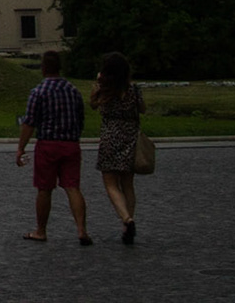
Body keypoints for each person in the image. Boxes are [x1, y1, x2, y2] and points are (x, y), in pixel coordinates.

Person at [17, 49, 92, 246]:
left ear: (43, 69)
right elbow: (80, 119)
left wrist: (21, 148)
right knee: (72, 187)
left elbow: (29, 123)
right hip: (71, 144)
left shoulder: (38, 92)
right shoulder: (73, 90)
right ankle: (81, 229)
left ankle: (41, 231)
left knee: (44, 189)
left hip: (48, 144)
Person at [92, 51, 147, 244]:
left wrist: (98, 82)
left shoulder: (104, 89)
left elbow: (92, 104)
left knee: (110, 183)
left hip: (110, 137)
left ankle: (126, 219)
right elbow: (143, 109)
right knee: (127, 184)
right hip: (130, 136)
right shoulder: (133, 89)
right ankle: (128, 222)